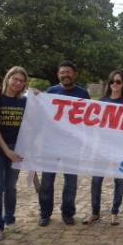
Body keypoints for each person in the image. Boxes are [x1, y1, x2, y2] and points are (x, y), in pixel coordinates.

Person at [38, 61, 90, 226]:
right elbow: (41, 114)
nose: (65, 75)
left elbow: (89, 119)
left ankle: (68, 213)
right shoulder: (50, 92)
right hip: (51, 145)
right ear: (58, 75)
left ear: (74, 74)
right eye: (62, 72)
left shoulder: (83, 94)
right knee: (47, 182)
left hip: (72, 146)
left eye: (68, 72)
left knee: (71, 183)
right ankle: (45, 213)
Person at [82, 70, 123, 226]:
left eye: (118, 82)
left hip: (121, 147)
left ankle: (115, 212)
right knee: (96, 180)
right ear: (109, 83)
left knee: (119, 180)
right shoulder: (102, 101)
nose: (115, 85)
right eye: (112, 81)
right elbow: (93, 123)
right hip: (102, 147)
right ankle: (95, 212)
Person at [0, 66, 28, 240]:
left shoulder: (24, 102)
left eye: (21, 81)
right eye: (15, 79)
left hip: (17, 148)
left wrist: (37, 95)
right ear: (8, 78)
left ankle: (10, 220)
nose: (17, 83)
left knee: (11, 187)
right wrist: (6, 149)